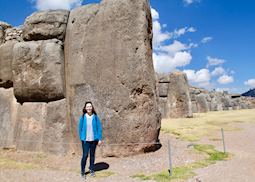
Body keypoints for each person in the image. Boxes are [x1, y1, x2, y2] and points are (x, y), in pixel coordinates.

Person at [78, 101, 102, 179]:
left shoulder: (95, 117)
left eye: (90, 106)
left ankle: (91, 170)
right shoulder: (83, 117)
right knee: (85, 156)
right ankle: (82, 172)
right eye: (87, 106)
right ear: (85, 108)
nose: (89, 108)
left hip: (94, 140)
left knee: (92, 155)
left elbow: (99, 128)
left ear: (92, 108)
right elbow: (80, 128)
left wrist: (99, 139)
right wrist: (82, 137)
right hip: (85, 141)